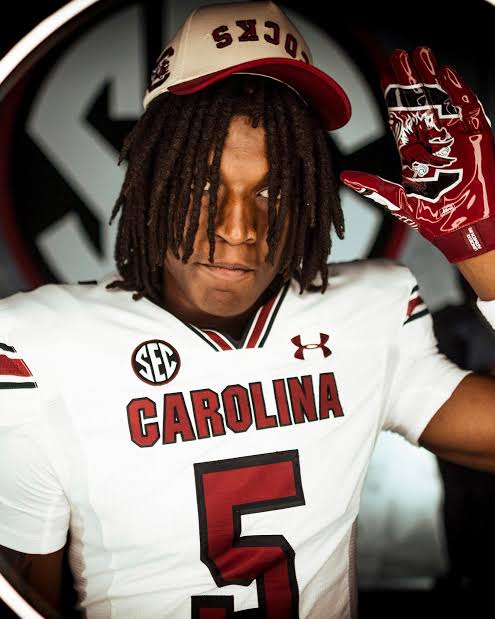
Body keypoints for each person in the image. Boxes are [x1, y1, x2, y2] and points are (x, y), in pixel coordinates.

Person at [1, 1, 495, 618]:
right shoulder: (42, 343)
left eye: (274, 192)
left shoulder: (368, 314)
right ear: (151, 178)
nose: (238, 229)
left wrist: (483, 250)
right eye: (204, 186)